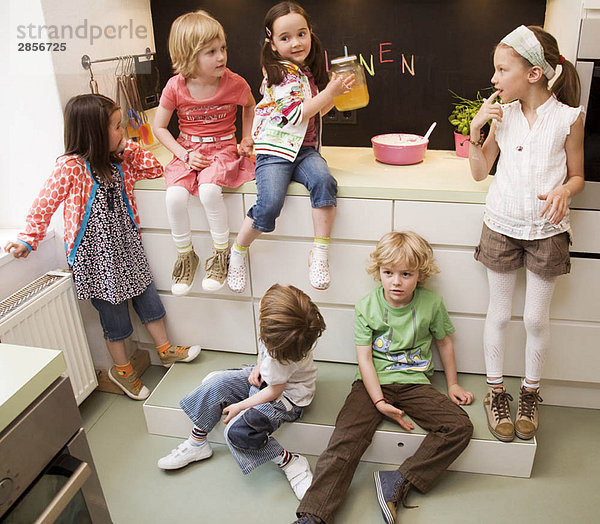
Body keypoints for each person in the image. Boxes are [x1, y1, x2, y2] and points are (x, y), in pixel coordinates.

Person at [4, 94, 201, 400]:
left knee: (148, 299)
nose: (122, 131)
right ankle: (122, 371)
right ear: (93, 132)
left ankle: (165, 349)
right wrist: (28, 238)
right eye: (116, 127)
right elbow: (45, 203)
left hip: (126, 247)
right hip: (95, 258)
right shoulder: (71, 167)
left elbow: (154, 169)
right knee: (114, 316)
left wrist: (128, 147)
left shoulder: (119, 161)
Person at [294, 232, 474, 524]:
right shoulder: (367, 306)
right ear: (378, 272)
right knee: (344, 439)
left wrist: (452, 383)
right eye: (388, 273)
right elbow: (364, 357)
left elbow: (445, 342)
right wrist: (378, 401)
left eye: (406, 274)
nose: (396, 281)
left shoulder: (432, 304)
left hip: (414, 383)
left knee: (459, 426)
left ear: (420, 274)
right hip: (370, 383)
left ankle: (398, 481)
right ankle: (313, 516)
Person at [468, 25, 584, 442]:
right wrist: (476, 130)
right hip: (500, 224)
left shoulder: (569, 118)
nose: (494, 79)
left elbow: (578, 176)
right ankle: (496, 392)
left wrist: (563, 192)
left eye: (502, 70)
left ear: (533, 73)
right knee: (498, 313)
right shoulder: (504, 116)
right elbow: (481, 172)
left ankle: (531, 393)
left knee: (535, 318)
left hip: (547, 230)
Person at [226, 1, 354, 294]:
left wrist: (334, 95)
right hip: (275, 154)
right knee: (270, 204)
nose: (295, 43)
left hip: (305, 151)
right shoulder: (281, 74)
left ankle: (319, 253)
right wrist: (330, 93)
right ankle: (237, 250)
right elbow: (297, 114)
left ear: (311, 33)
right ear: (271, 43)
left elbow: (314, 113)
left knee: (324, 181)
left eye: (301, 34)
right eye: (285, 38)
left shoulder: (307, 71)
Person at [157, 283, 326, 501]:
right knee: (214, 383)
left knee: (237, 432)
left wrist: (241, 406)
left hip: (286, 398)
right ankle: (197, 441)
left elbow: (274, 391)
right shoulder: (273, 332)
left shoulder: (283, 355)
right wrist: (258, 366)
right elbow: (264, 352)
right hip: (269, 377)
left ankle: (290, 461)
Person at [153, 10, 256, 295]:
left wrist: (247, 137)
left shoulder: (234, 82)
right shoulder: (176, 86)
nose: (221, 56)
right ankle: (186, 255)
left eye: (222, 48)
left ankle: (221, 254)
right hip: (188, 149)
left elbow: (250, 105)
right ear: (188, 56)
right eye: (211, 51)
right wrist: (184, 155)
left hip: (223, 149)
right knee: (174, 197)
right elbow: (159, 127)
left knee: (210, 190)